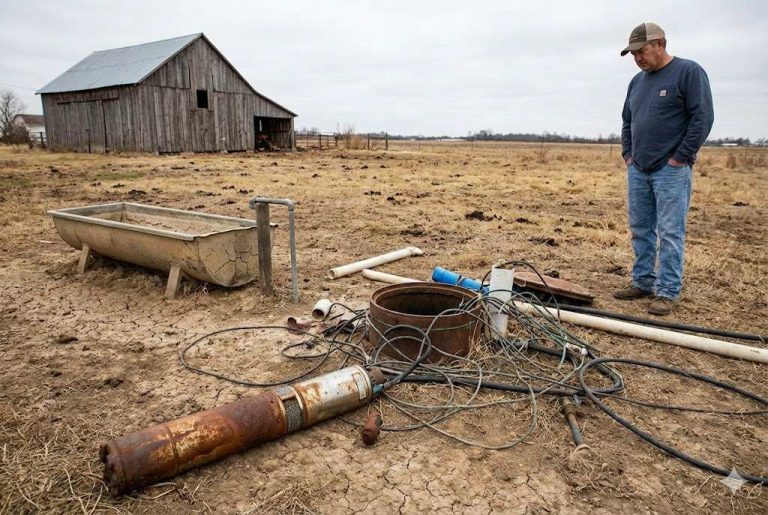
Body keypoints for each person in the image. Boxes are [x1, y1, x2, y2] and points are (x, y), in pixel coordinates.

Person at [614, 22, 714, 316]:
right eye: (633, 54)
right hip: (638, 168)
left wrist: (680, 157)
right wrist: (628, 154)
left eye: (641, 51)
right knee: (640, 228)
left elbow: (703, 118)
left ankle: (667, 291)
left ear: (660, 44)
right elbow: (627, 122)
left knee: (670, 231)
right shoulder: (636, 82)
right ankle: (643, 281)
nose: (638, 58)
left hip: (671, 170)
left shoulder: (688, 72)